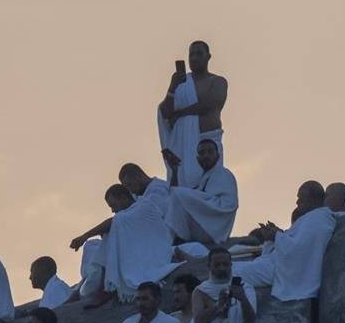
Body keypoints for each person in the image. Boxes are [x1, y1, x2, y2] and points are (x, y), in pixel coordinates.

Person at [71, 165, 177, 306]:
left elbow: (114, 222)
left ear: (123, 198)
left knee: (112, 231)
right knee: (100, 241)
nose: (113, 210)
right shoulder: (131, 212)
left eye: (113, 205)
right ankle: (98, 285)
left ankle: (107, 287)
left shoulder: (144, 206)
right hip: (138, 248)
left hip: (154, 250)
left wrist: (84, 236)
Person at [231, 180, 343, 302]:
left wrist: (276, 236)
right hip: (279, 263)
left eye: (300, 198)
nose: (297, 202)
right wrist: (274, 237)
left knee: (232, 272)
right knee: (233, 267)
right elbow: (296, 243)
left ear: (312, 199)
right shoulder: (312, 217)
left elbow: (301, 251)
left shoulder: (319, 219)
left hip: (284, 270)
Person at [158, 40, 229, 187]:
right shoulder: (182, 83)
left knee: (211, 187)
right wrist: (172, 88)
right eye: (191, 54)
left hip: (208, 143)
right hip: (183, 145)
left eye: (199, 54)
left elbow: (210, 104)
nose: (194, 58)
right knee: (183, 188)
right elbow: (165, 112)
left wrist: (181, 114)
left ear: (208, 57)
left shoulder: (217, 81)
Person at [168, 139, 240, 251]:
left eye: (210, 151)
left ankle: (178, 237)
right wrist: (175, 171)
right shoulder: (203, 179)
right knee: (169, 197)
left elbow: (227, 204)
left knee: (178, 194)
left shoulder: (223, 174)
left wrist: (183, 195)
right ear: (198, 159)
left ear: (218, 155)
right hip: (204, 218)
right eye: (202, 153)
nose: (206, 155)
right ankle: (176, 237)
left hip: (215, 223)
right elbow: (177, 196)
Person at [191, 248, 255, 323]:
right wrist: (217, 306)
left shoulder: (246, 288)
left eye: (225, 264)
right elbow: (199, 322)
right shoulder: (200, 290)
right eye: (217, 265)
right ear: (209, 266)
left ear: (231, 265)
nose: (222, 268)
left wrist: (243, 299)